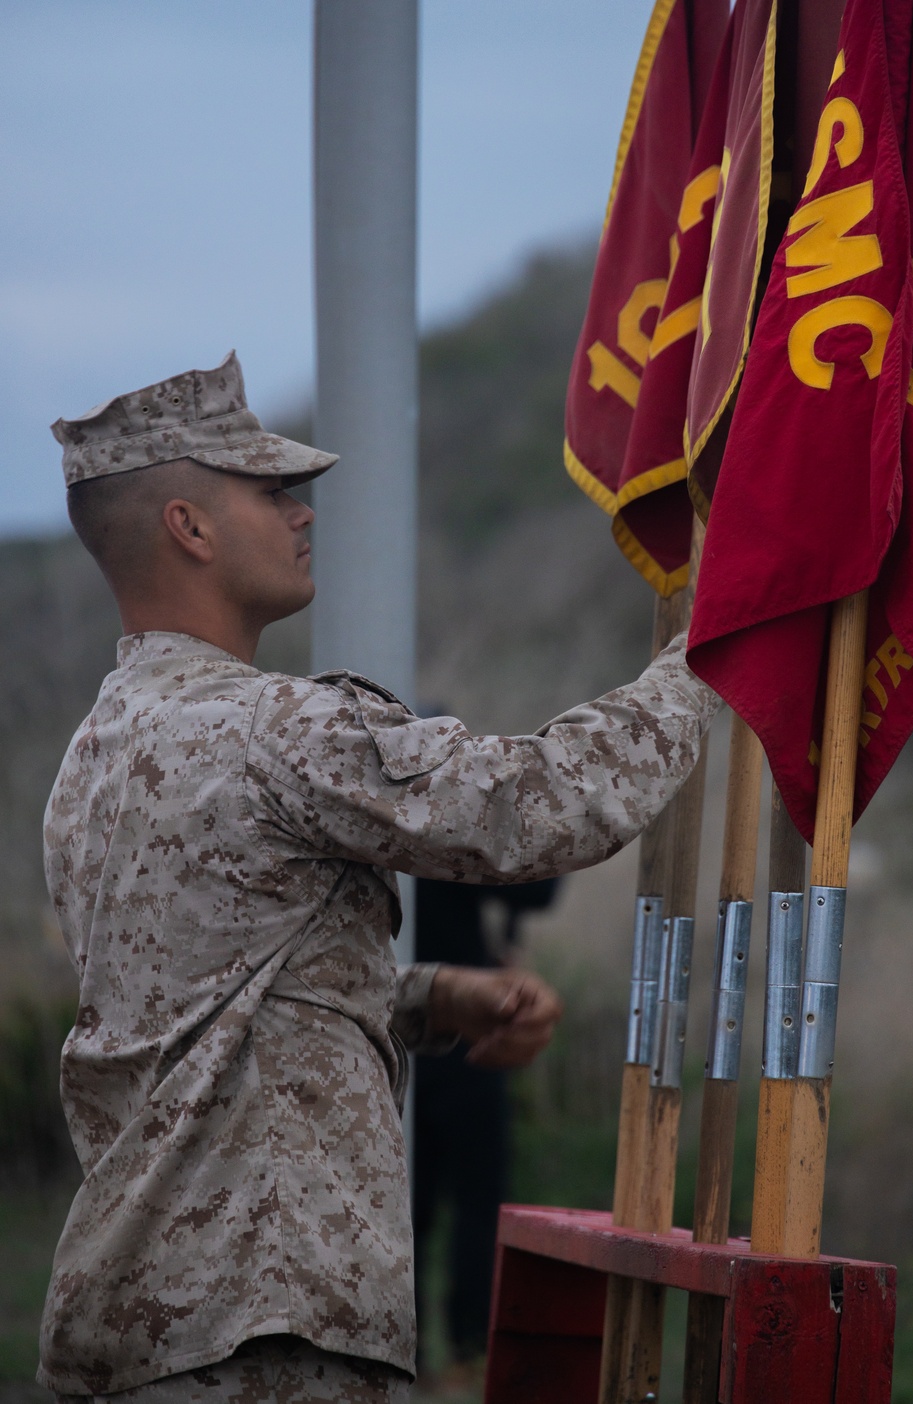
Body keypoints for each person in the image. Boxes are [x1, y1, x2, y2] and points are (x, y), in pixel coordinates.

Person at [39, 352, 719, 1403]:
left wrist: (431, 996)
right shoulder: (273, 727)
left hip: (145, 1322)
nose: (302, 514)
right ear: (190, 527)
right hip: (270, 1323)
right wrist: (699, 660)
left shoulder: (92, 760)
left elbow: (202, 1004)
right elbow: (531, 807)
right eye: (272, 491)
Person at [413, 874, 561, 1385]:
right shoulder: (440, 815)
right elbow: (534, 888)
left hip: (399, 1023)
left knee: (406, 1203)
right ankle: (467, 1347)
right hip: (462, 1027)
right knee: (477, 1200)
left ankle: (411, 1354)